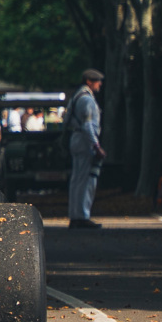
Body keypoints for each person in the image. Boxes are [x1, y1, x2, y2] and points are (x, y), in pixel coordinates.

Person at [67, 69, 106, 229]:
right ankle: (82, 215)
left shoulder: (76, 97)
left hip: (76, 138)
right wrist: (96, 146)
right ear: (89, 82)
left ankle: (75, 214)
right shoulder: (87, 100)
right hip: (85, 141)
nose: (100, 84)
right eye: (97, 81)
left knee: (77, 180)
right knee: (86, 180)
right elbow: (88, 125)